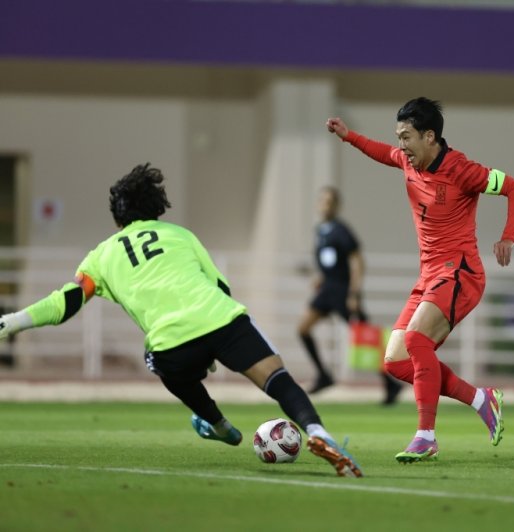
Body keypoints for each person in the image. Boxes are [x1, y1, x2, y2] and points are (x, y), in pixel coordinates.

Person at [0, 163, 363, 478]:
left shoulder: (102, 255)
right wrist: (218, 346)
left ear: (117, 217)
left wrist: (13, 321)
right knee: (278, 377)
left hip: (171, 343)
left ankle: (219, 425)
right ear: (157, 208)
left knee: (164, 366)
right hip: (221, 319)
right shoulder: (181, 236)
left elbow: (67, 301)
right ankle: (317, 429)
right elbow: (220, 285)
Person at [326, 97, 514, 462]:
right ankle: (481, 399)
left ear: (430, 136)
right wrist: (348, 136)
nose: (401, 146)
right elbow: (381, 152)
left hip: (460, 272)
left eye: (407, 137)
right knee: (395, 361)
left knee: (418, 341)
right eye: (399, 138)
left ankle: (425, 436)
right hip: (430, 276)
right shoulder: (406, 160)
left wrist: (508, 236)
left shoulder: (462, 170)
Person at [297, 186, 403, 404]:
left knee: (365, 337)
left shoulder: (341, 230)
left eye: (329, 201)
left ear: (336, 206)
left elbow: (357, 261)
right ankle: (324, 375)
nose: (325, 205)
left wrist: (354, 293)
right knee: (303, 329)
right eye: (322, 201)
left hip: (343, 291)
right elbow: (330, 262)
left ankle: (391, 383)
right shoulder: (320, 231)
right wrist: (321, 278)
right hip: (328, 290)